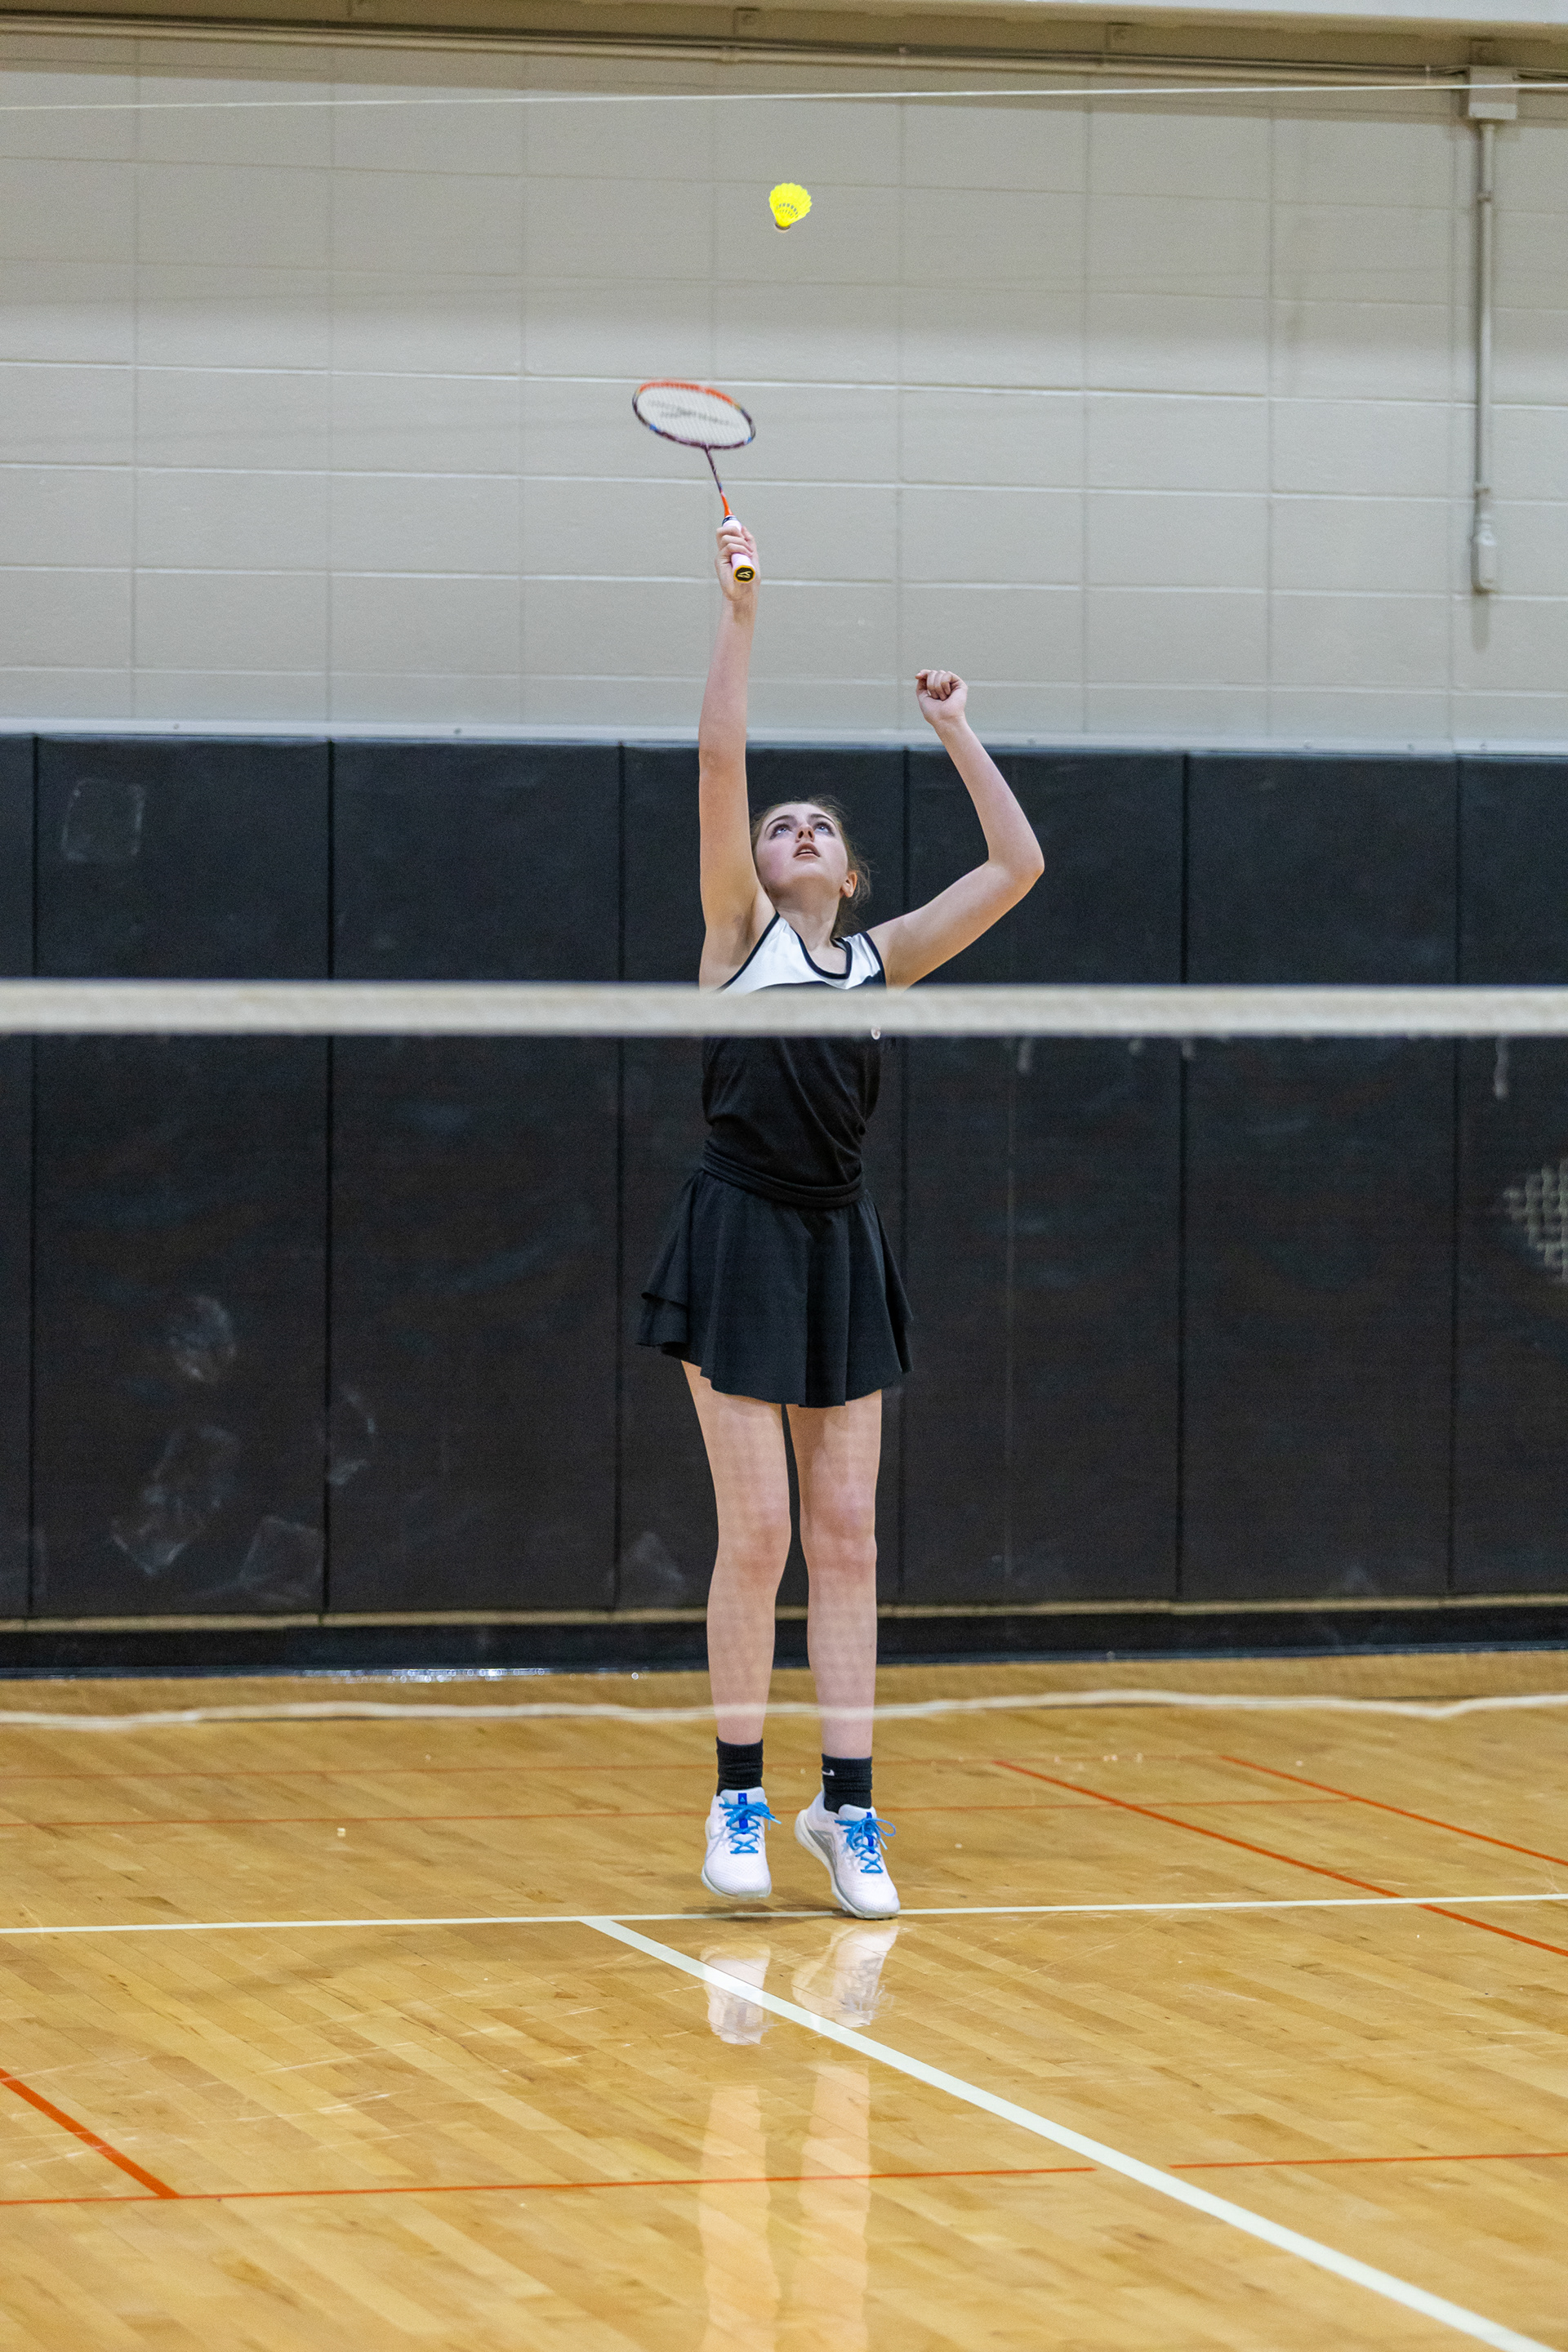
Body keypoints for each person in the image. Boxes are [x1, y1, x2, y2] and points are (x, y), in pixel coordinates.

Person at [638, 516, 1044, 1920]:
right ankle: (737, 1796)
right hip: (737, 1236)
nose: (795, 829)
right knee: (758, 1533)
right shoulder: (733, 941)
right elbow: (719, 761)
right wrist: (742, 613)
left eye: (818, 826)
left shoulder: (881, 960)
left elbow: (1016, 868)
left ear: (849, 874)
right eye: (779, 826)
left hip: (837, 1242)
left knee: (851, 1537)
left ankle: (847, 1811)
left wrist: (957, 729)